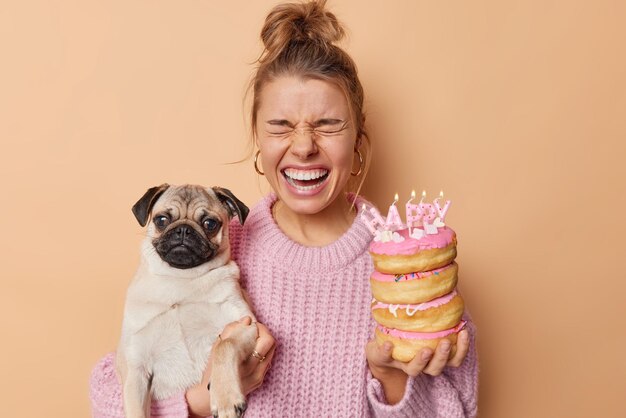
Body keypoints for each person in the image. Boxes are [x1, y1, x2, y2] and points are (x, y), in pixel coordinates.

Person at [89, 1, 478, 416]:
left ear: (358, 139)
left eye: (328, 124)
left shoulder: (406, 262)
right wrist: (198, 403)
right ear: (258, 137)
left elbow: (460, 407)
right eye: (281, 126)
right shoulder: (218, 248)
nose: (305, 146)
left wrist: (392, 378)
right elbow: (109, 392)